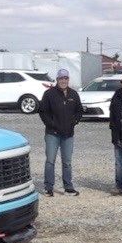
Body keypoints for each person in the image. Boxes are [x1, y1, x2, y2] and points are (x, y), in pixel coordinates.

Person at [38, 68, 82, 197]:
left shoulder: (73, 94)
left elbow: (79, 110)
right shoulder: (49, 94)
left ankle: (68, 187)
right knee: (50, 161)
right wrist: (51, 124)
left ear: (68, 79)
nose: (63, 80)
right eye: (61, 78)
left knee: (67, 162)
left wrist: (75, 121)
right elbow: (43, 112)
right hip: (53, 134)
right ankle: (48, 187)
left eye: (66, 78)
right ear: (57, 79)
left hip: (68, 135)